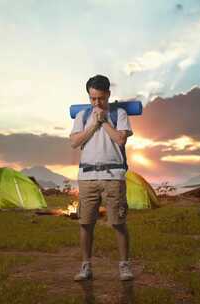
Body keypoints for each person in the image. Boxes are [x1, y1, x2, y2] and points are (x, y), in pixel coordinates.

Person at [69, 74, 134, 281]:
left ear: (108, 94)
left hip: (113, 176)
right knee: (86, 223)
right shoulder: (82, 116)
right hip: (87, 176)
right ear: (89, 96)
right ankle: (86, 266)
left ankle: (124, 266)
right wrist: (93, 125)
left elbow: (121, 139)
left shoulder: (119, 113)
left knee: (118, 222)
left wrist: (104, 121)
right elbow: (74, 142)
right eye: (93, 98)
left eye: (101, 98)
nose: (97, 102)